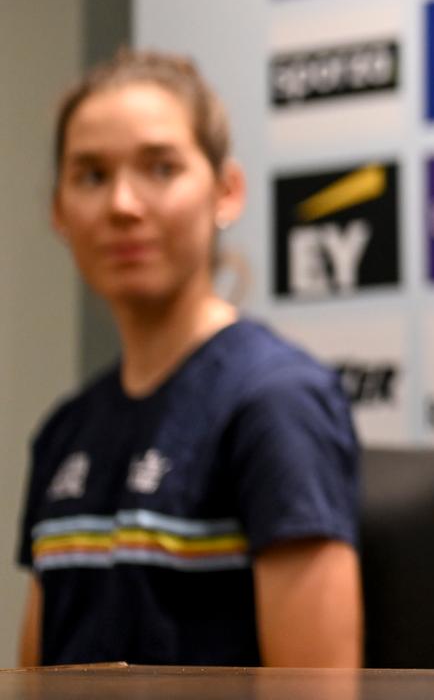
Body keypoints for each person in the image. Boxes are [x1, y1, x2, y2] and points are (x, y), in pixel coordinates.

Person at [17, 50, 362, 668]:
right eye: (91, 176)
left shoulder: (274, 401)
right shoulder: (65, 430)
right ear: (58, 210)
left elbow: (317, 690)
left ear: (225, 192)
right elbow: (35, 679)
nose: (123, 204)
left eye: (160, 168)